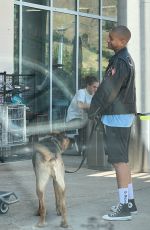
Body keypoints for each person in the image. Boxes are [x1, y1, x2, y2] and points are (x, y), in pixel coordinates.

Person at [88, 25, 137, 221]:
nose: (108, 41)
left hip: (117, 117)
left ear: (122, 42)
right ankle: (130, 202)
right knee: (122, 160)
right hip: (122, 116)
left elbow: (108, 90)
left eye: (111, 39)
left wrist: (94, 109)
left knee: (119, 162)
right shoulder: (126, 60)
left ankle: (124, 207)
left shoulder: (120, 61)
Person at [66, 76, 99, 153]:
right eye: (94, 87)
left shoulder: (93, 95)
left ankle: (87, 147)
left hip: (83, 118)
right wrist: (94, 106)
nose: (96, 89)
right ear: (88, 85)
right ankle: (85, 147)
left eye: (97, 87)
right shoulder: (81, 92)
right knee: (89, 123)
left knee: (95, 122)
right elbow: (80, 105)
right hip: (74, 118)